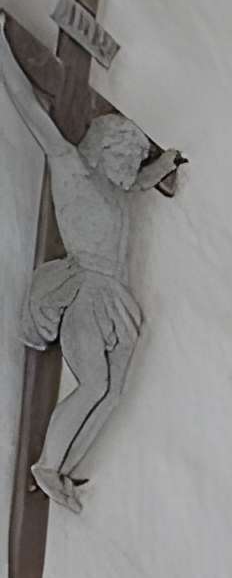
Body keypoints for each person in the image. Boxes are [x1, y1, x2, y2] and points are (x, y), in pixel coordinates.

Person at [5, 60, 179, 512]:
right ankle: (47, 465)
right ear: (101, 149)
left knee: (114, 390)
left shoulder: (116, 189)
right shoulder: (72, 169)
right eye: (123, 157)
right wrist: (1, 47)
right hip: (84, 290)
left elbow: (139, 182)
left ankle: (64, 470)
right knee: (92, 383)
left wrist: (162, 164)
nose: (128, 168)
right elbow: (29, 109)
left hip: (116, 299)